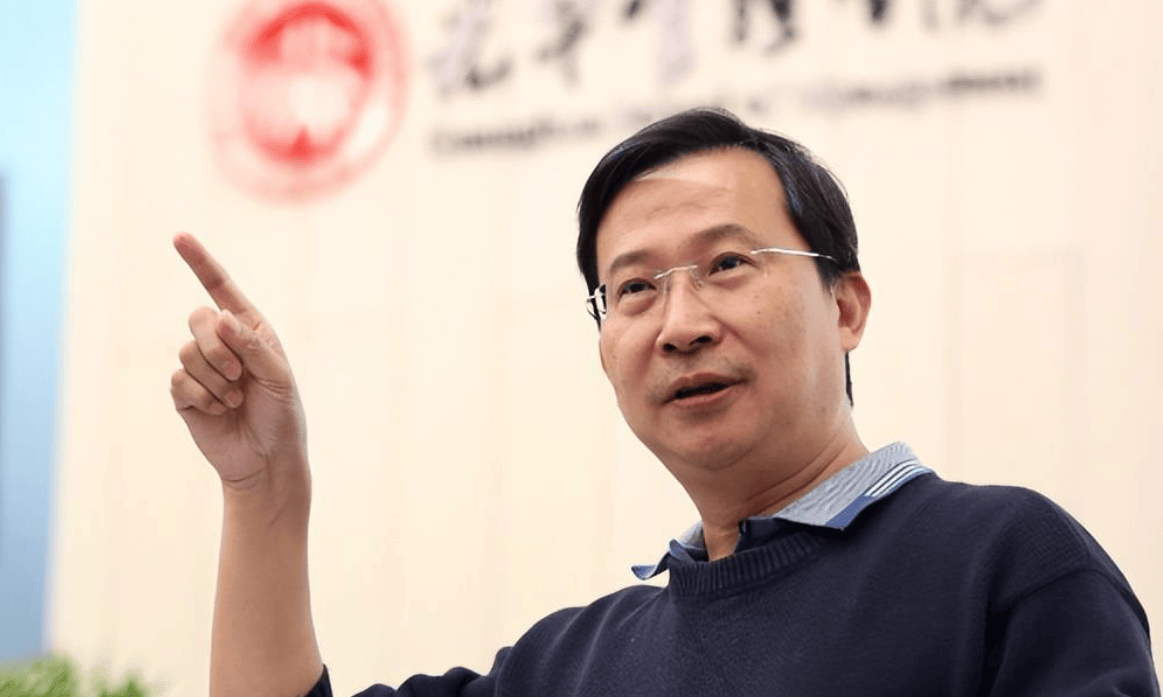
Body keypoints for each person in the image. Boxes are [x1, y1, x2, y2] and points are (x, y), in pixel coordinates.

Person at [171, 108, 1159, 697]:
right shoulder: (573, 664)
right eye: (635, 287)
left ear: (845, 305)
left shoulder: (1003, 561)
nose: (679, 323)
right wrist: (263, 491)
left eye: (726, 263)